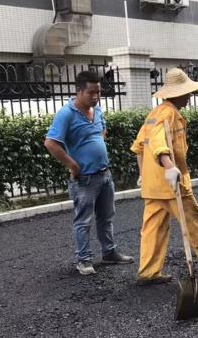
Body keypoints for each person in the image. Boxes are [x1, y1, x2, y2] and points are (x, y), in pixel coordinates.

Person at [130, 68, 198, 286]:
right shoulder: (168, 114)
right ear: (176, 94)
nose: (190, 96)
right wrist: (169, 167)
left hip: (153, 184)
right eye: (187, 92)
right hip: (170, 183)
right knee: (194, 219)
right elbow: (159, 143)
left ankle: (148, 271)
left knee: (153, 227)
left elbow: (139, 147)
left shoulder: (154, 113)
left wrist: (142, 175)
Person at [44, 71, 134, 275]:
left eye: (98, 92)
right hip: (84, 179)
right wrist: (73, 166)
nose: (95, 97)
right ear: (79, 91)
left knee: (106, 217)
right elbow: (51, 143)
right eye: (91, 93)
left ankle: (109, 253)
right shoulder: (66, 114)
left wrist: (97, 141)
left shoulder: (98, 111)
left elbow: (103, 130)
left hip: (104, 174)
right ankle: (83, 260)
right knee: (83, 220)